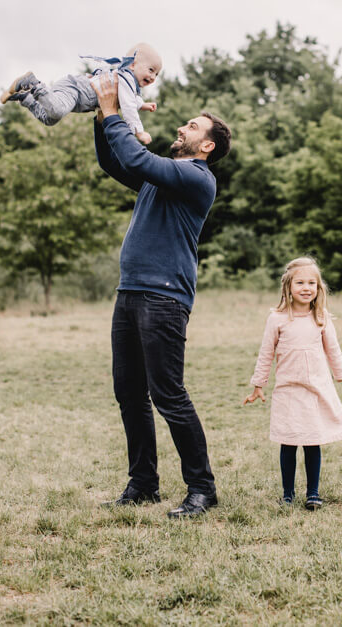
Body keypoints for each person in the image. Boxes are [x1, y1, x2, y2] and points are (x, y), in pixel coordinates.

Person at [91, 70, 231, 518]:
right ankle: (144, 483)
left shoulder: (195, 177)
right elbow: (116, 163)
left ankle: (202, 489)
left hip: (164, 298)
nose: (181, 128)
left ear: (206, 145)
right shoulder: (164, 176)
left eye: (191, 126)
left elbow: (138, 161)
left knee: (168, 394)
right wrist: (101, 120)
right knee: (129, 392)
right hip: (130, 292)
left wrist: (115, 112)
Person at [243, 257, 342, 510]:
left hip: (315, 390)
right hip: (288, 390)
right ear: (288, 287)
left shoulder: (321, 317)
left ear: (319, 287)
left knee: (313, 442)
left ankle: (313, 493)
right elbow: (266, 353)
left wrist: (341, 372)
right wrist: (258, 384)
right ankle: (288, 494)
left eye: (311, 282)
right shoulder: (277, 319)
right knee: (288, 442)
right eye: (300, 282)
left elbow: (332, 349)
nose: (306, 287)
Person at [0, 43, 162, 144]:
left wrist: (144, 105)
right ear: (133, 65)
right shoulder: (125, 78)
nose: (153, 77)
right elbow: (128, 107)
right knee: (57, 110)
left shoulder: (128, 85)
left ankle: (25, 97)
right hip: (75, 89)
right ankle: (32, 83)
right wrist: (138, 132)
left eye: (156, 74)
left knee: (50, 119)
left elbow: (131, 100)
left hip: (78, 99)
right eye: (151, 70)